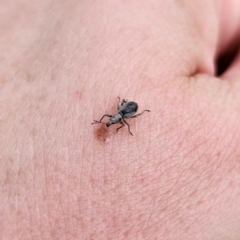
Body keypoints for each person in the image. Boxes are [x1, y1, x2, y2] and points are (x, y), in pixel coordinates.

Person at [1, 0, 240, 239]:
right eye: (114, 119)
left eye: (114, 119)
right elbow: (110, 118)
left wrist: (127, 116)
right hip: (130, 105)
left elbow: (126, 115)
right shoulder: (113, 118)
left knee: (131, 120)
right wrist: (102, 123)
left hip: (134, 106)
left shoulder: (123, 117)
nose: (114, 120)